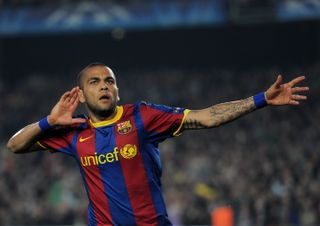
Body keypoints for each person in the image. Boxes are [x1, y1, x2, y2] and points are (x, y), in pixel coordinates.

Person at [6, 62, 309, 226]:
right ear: (81, 95)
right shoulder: (73, 131)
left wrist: (260, 100)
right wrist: (47, 121)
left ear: (117, 90)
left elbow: (205, 118)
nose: (104, 86)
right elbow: (15, 146)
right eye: (95, 82)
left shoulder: (143, 116)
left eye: (109, 81)